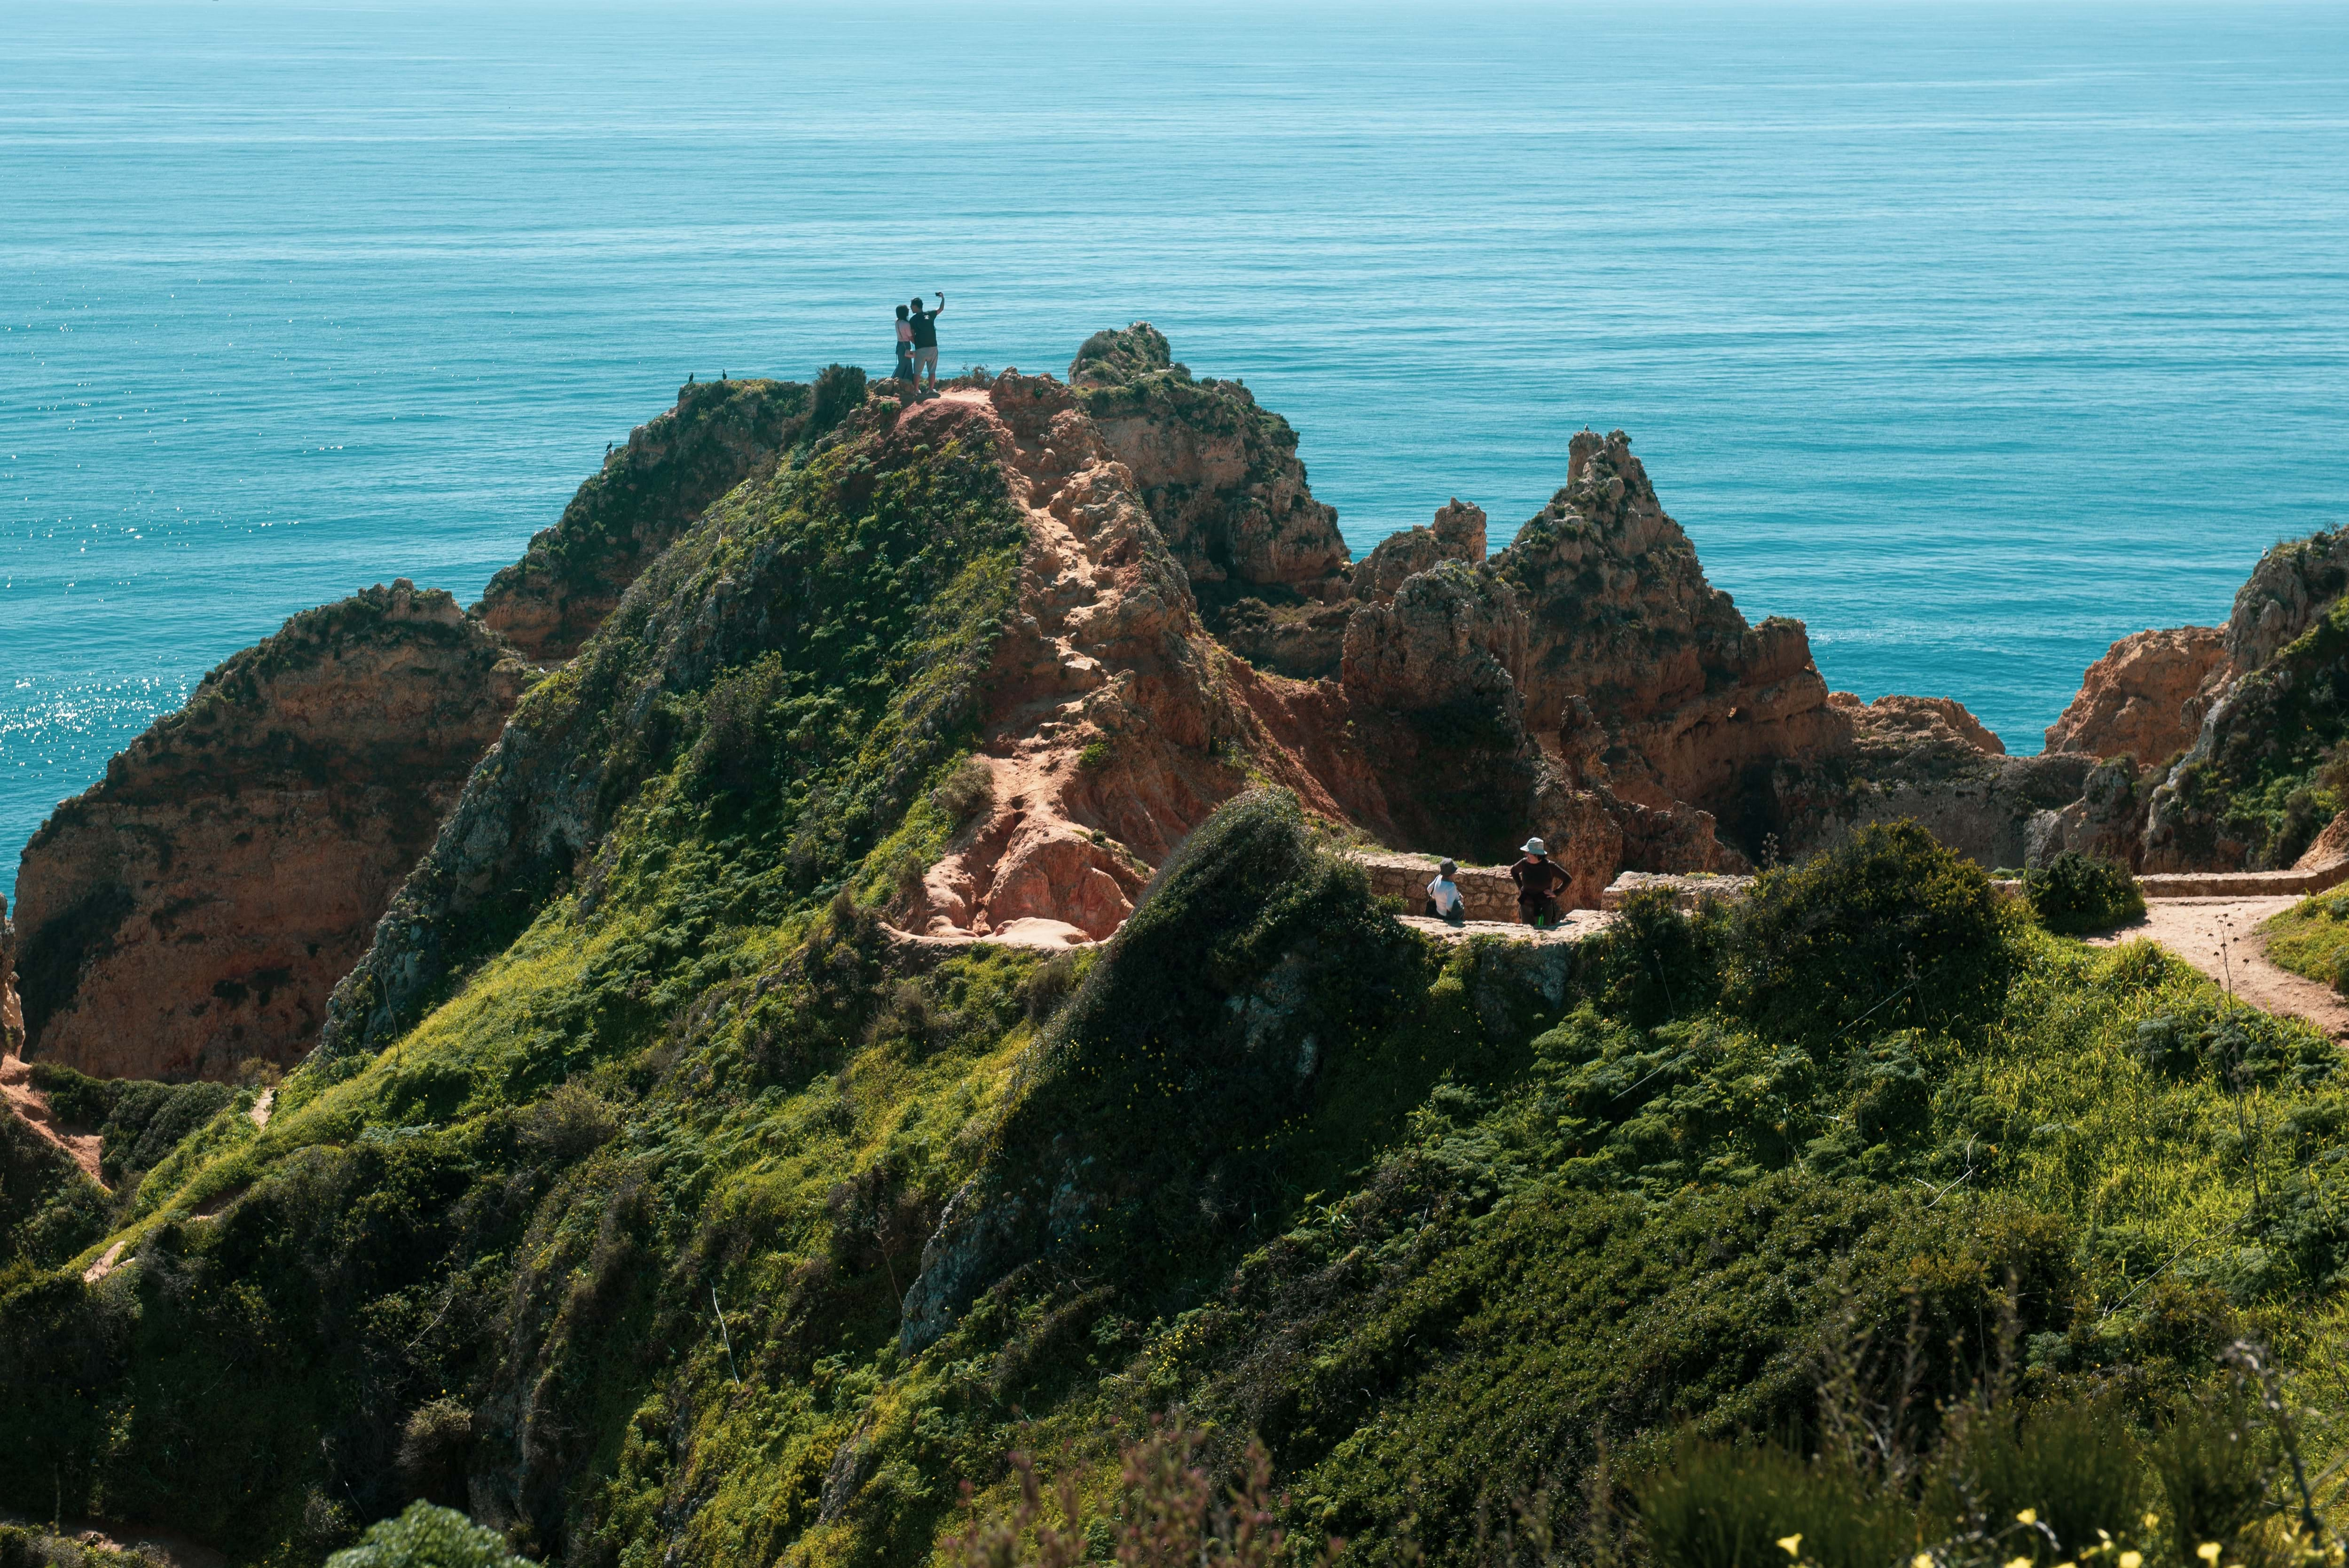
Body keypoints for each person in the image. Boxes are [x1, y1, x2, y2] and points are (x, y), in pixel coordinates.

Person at [1510, 837, 1570, 928]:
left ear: (1537, 855)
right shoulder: (1524, 864)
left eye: (1528, 853)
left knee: (1543, 934)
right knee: (1527, 935)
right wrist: (1521, 887)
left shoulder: (1550, 866)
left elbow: (1568, 879)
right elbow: (1514, 871)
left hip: (1543, 908)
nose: (1526, 854)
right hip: (1526, 906)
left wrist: (1556, 893)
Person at [907, 291, 945, 391]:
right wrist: (943, 298)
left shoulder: (913, 320)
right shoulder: (930, 314)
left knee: (917, 372)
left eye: (912, 306)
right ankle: (931, 389)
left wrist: (917, 344)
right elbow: (941, 309)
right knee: (932, 371)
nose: (911, 308)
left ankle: (916, 390)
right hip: (933, 346)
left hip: (921, 348)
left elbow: (912, 336)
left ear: (916, 306)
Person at [1425, 859, 1466, 924]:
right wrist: (1460, 901)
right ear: (1452, 873)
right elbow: (1450, 907)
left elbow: (1429, 889)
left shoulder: (1438, 878)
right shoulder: (1451, 886)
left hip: (1438, 913)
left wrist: (1439, 898)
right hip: (1448, 917)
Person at [894, 304, 916, 384]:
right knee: (907, 365)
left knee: (902, 364)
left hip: (899, 345)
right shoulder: (906, 324)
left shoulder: (897, 322)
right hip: (906, 345)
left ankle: (897, 381)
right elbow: (910, 337)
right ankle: (906, 382)